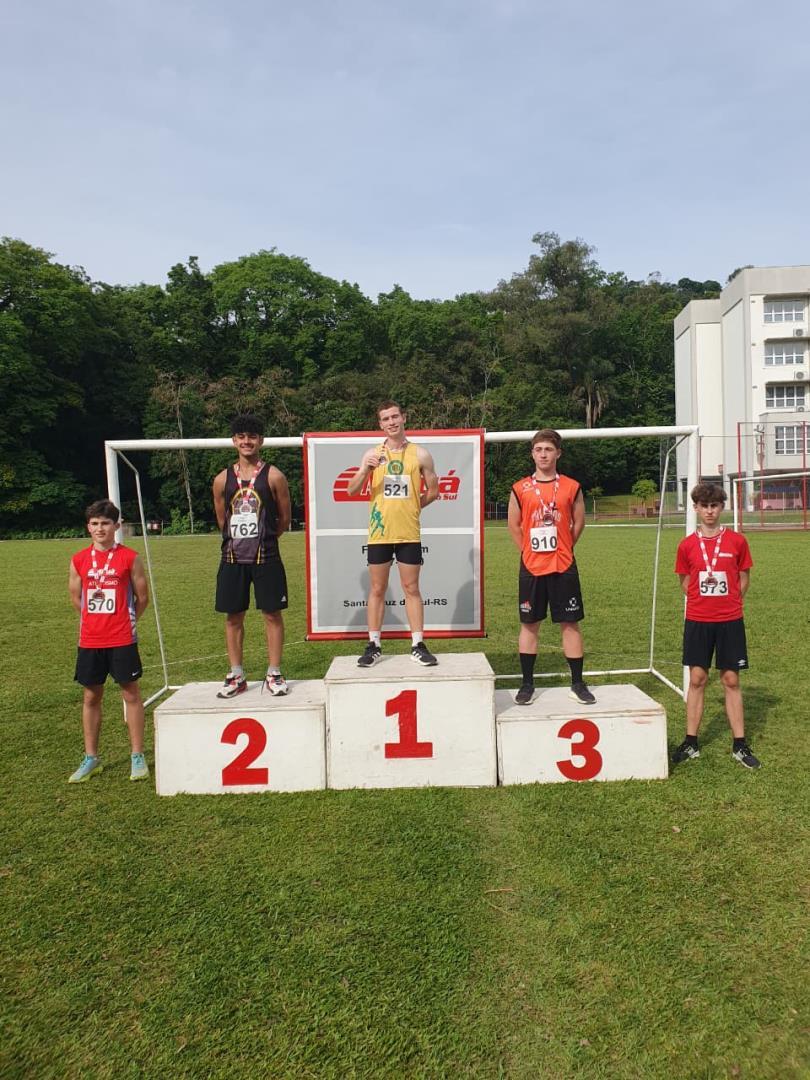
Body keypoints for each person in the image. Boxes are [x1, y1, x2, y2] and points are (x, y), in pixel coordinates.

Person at [673, 482, 760, 769]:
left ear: (722, 507)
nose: (709, 511)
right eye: (704, 506)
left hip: (729, 620)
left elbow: (743, 578)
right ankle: (691, 742)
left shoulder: (737, 541)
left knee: (731, 680)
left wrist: (730, 602)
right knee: (697, 679)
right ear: (695, 508)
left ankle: (739, 744)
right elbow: (685, 582)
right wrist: (703, 601)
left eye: (714, 506)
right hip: (698, 620)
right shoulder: (686, 545)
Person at [346, 399, 440, 667]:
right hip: (380, 534)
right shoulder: (372, 454)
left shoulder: (421, 454)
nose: (391, 422)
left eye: (395, 416)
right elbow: (351, 490)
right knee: (377, 588)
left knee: (412, 588)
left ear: (404, 418)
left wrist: (413, 507)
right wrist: (366, 469)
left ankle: (418, 644)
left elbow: (433, 490)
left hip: (409, 533)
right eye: (386, 419)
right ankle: (373, 645)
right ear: (380, 424)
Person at [507, 428, 596, 706]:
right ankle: (527, 684)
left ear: (558, 453)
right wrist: (527, 551)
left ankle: (577, 683)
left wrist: (566, 546)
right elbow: (514, 524)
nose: (543, 454)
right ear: (532, 454)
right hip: (532, 566)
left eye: (548, 449)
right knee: (529, 624)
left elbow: (579, 522)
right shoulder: (520, 488)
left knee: (570, 623)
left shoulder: (571, 486)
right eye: (538, 450)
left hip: (563, 564)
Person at [67, 500, 150, 783]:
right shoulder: (78, 559)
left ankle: (137, 755)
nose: (100, 528)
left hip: (122, 637)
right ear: (88, 527)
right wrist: (93, 620)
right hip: (90, 639)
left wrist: (126, 620)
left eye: (105, 523)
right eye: (94, 523)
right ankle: (91, 757)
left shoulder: (130, 558)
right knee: (91, 696)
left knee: (131, 694)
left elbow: (142, 597)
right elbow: (76, 597)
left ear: (116, 526)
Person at [213, 414, 291, 697]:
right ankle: (236, 674)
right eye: (242, 436)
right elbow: (222, 519)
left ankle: (274, 672)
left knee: (272, 614)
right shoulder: (222, 479)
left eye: (252, 436)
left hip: (266, 557)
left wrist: (265, 539)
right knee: (233, 617)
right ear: (234, 441)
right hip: (232, 559)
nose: (247, 441)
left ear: (261, 441)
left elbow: (284, 518)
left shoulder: (274, 476)